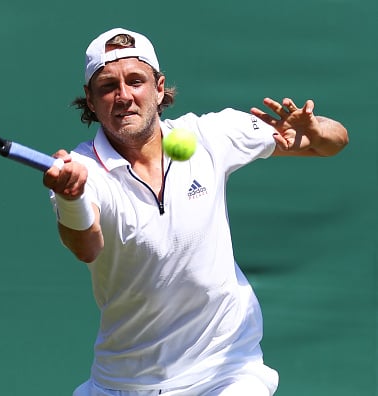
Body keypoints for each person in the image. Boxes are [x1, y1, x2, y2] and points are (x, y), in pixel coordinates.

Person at [42, 28, 348, 396]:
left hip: (227, 370)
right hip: (124, 382)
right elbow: (86, 248)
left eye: (135, 81)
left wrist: (314, 128)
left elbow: (332, 143)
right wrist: (71, 198)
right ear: (90, 101)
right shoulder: (81, 169)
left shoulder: (210, 135)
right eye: (108, 87)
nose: (124, 96)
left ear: (159, 88)